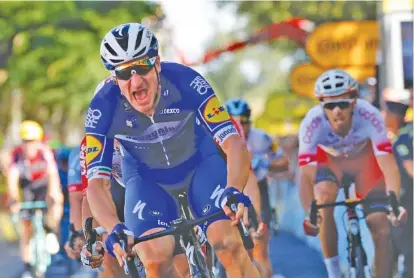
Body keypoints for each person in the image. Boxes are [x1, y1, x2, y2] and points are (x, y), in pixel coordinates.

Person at [84, 22, 259, 278]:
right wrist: (114, 228)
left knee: (228, 245)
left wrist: (233, 189)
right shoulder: (103, 107)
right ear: (114, 78)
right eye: (124, 73)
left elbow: (233, 143)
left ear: (157, 63)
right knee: (154, 260)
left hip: (200, 164)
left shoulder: (184, 80)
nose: (135, 81)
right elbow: (96, 185)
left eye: (142, 66)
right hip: (146, 180)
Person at [299, 69, 408, 278]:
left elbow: (388, 165)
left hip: (364, 163)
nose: (337, 110)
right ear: (321, 105)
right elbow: (305, 175)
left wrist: (394, 201)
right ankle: (333, 272)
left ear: (354, 101)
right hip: (330, 163)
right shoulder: (311, 123)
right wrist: (309, 214)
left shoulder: (371, 116)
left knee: (382, 227)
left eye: (344, 103)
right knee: (322, 197)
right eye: (330, 105)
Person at [225, 98, 290, 278]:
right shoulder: (221, 138)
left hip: (259, 189)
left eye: (243, 122)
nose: (240, 126)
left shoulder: (261, 137)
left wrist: (266, 162)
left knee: (259, 248)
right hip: (232, 191)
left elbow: (284, 162)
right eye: (234, 121)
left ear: (249, 121)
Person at [6, 120, 64, 278]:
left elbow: (53, 175)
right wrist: (13, 199)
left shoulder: (44, 152)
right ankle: (27, 266)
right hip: (27, 186)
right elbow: (12, 179)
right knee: (26, 228)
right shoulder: (16, 155)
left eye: (32, 141)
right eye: (25, 141)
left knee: (56, 198)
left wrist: (53, 195)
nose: (28, 146)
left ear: (38, 141)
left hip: (44, 184)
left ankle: (52, 231)